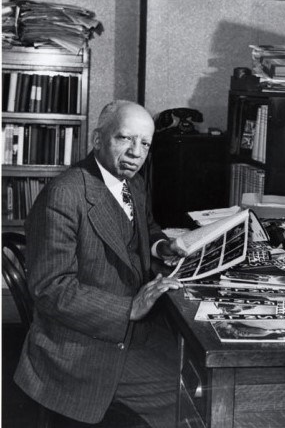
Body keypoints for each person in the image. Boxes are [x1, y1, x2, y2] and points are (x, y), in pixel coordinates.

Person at [14, 100, 187, 427]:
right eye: (125, 138)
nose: (136, 152)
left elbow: (146, 226)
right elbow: (50, 289)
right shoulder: (63, 194)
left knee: (198, 367)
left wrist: (161, 246)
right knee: (194, 392)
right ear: (97, 139)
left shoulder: (132, 182)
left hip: (130, 332)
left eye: (145, 143)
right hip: (78, 348)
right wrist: (130, 308)